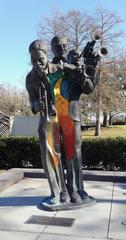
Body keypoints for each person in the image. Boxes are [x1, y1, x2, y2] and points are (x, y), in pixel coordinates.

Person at [50, 36, 99, 203]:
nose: (61, 48)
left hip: (71, 117)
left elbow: (88, 89)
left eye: (63, 45)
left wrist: (81, 74)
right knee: (57, 155)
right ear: (52, 48)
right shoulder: (52, 68)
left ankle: (77, 189)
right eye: (57, 46)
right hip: (54, 118)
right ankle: (61, 191)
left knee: (74, 154)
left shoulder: (76, 69)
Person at [26, 40, 70, 206]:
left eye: (40, 59)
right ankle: (55, 192)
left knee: (66, 155)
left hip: (64, 117)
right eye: (33, 60)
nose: (37, 63)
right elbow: (31, 103)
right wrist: (36, 105)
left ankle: (68, 191)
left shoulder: (58, 70)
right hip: (46, 121)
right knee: (47, 156)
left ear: (47, 57)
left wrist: (57, 103)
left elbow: (68, 93)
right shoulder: (30, 78)